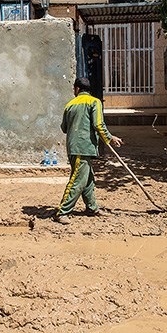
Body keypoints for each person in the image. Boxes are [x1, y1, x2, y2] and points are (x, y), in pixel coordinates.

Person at [54, 77, 123, 225]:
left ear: (77, 89)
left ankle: (92, 208)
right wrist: (110, 138)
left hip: (74, 147)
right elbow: (98, 124)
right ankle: (62, 211)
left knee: (88, 179)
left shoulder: (70, 105)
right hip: (83, 147)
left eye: (74, 89)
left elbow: (64, 128)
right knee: (77, 180)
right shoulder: (94, 102)